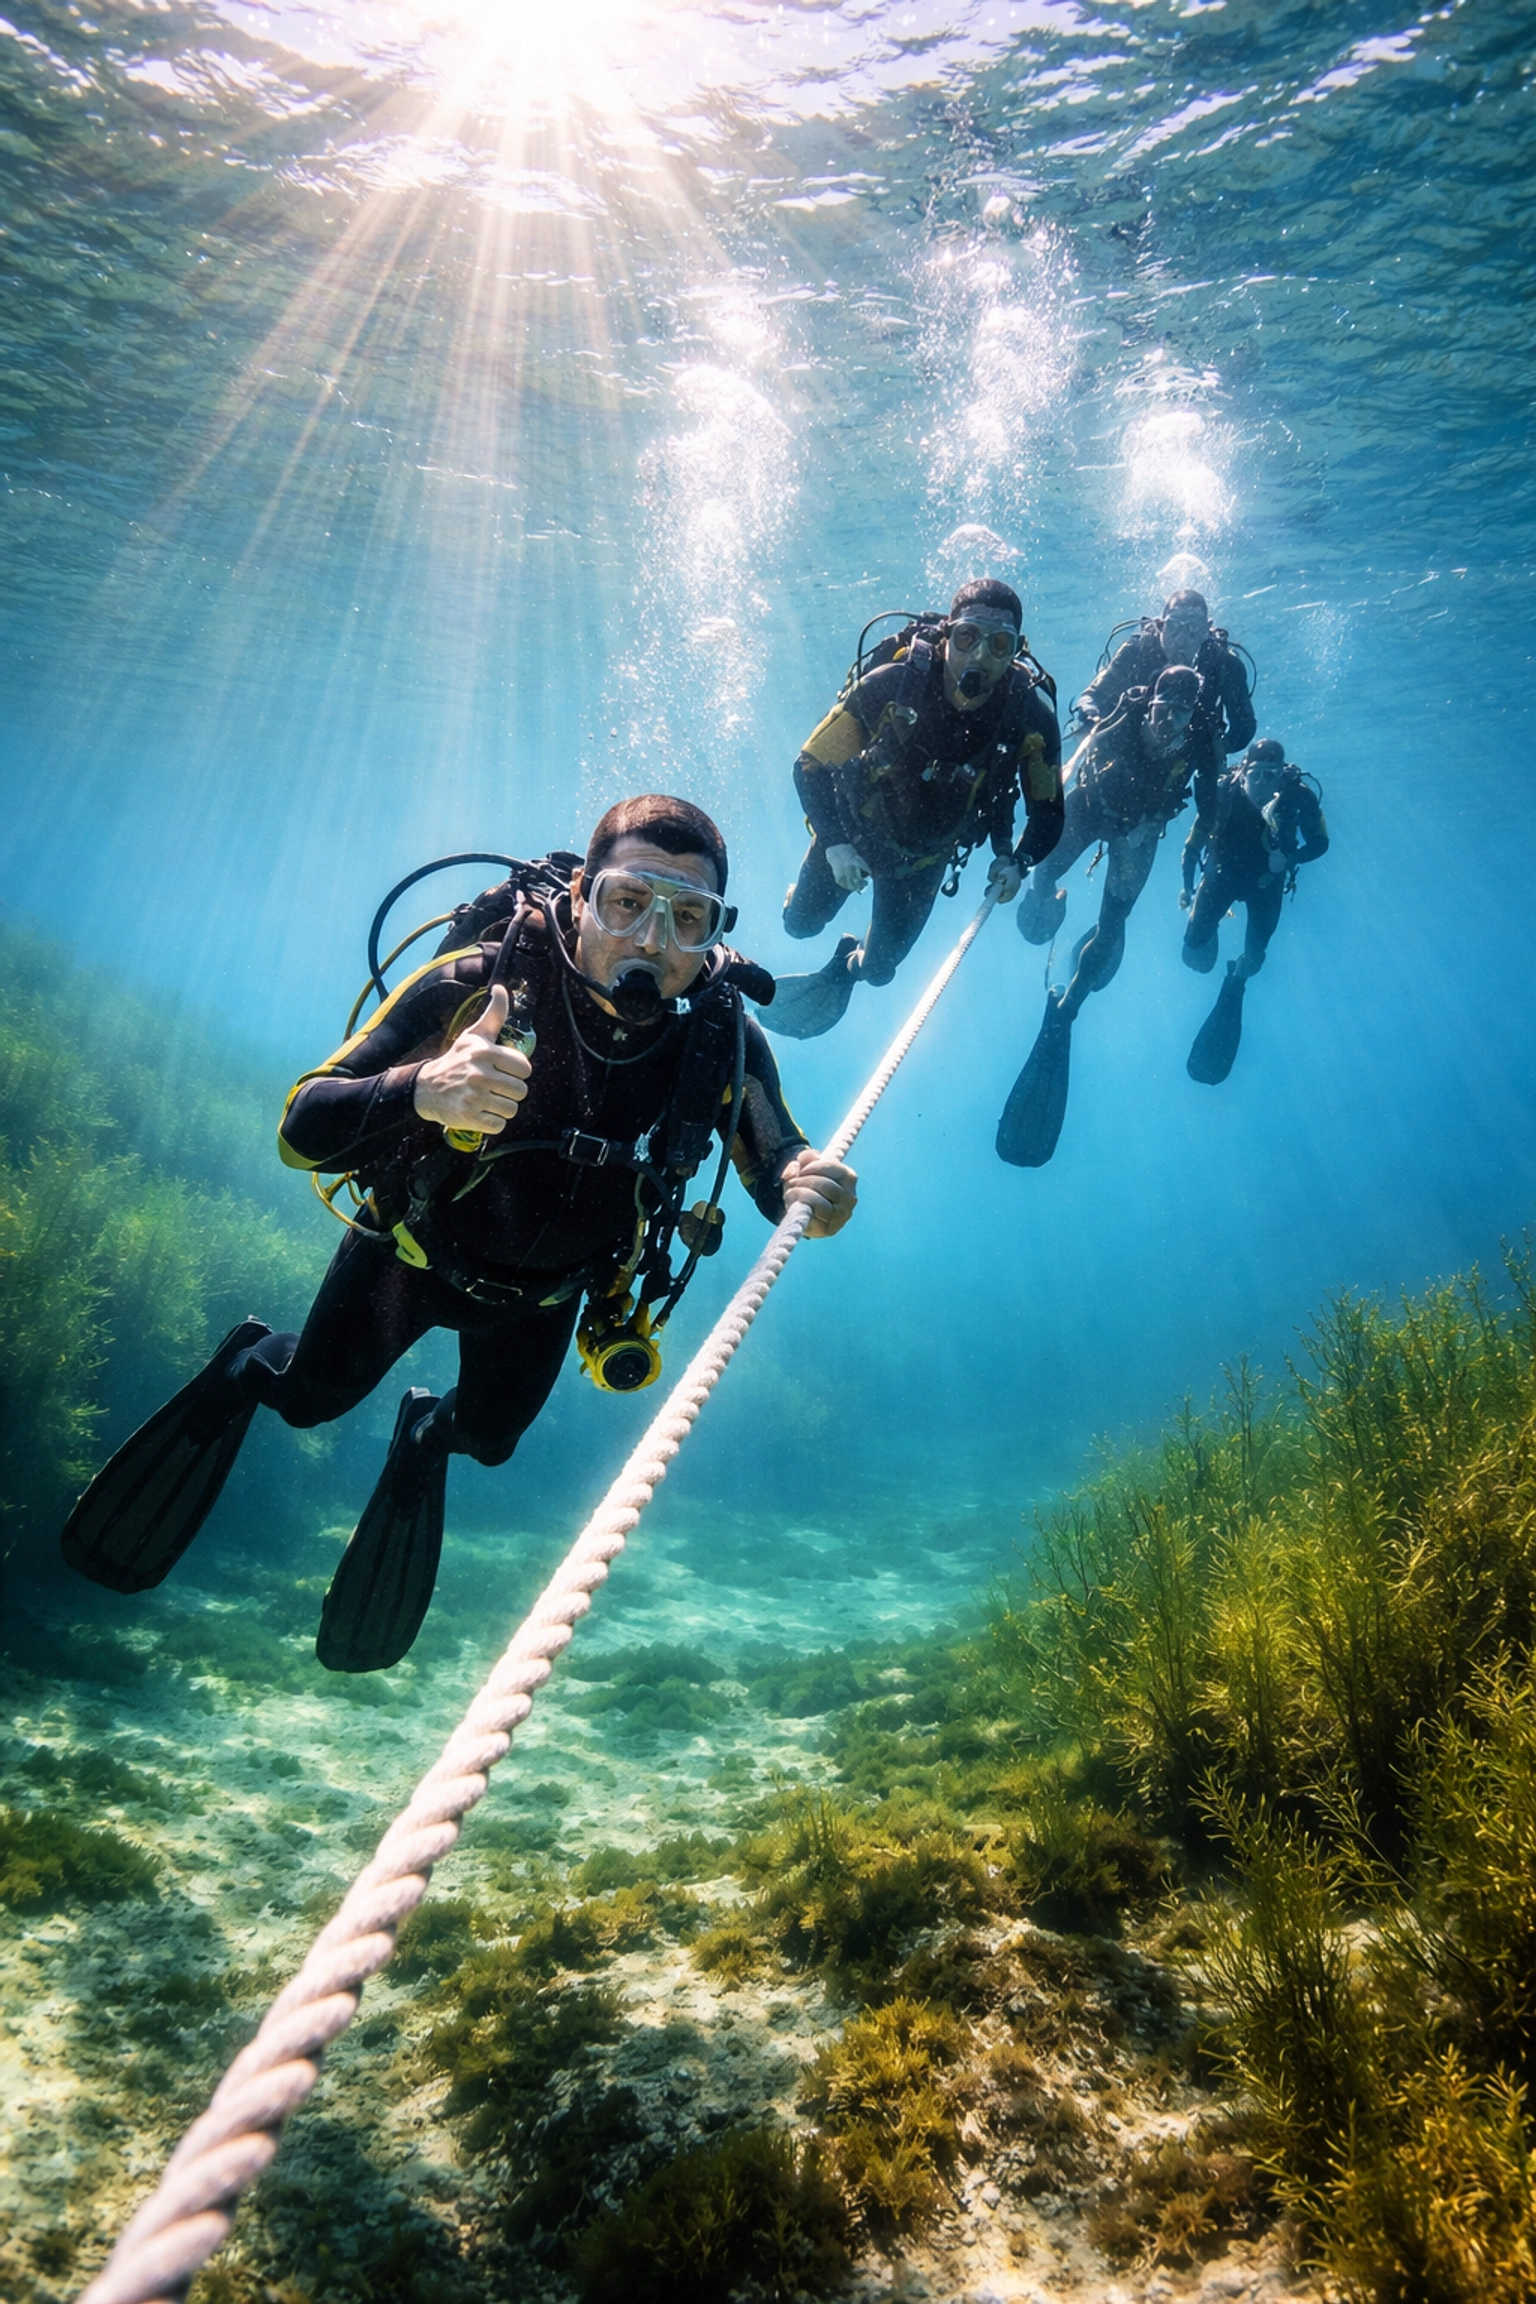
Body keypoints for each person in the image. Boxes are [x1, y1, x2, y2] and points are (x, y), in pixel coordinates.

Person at [61, 797, 858, 1671]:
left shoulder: (719, 1039)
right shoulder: (474, 984)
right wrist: (420, 1091)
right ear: (586, 894)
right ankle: (245, 1366)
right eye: (628, 902)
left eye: (688, 918)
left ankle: (421, 1437)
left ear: (714, 932)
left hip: (546, 1298)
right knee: (307, 1399)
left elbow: (777, 1159)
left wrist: (808, 1186)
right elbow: (303, 1125)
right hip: (409, 1255)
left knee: (487, 1441)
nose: (652, 942)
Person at [766, 577, 1063, 1037]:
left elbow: (1048, 812)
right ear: (946, 636)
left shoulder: (1029, 716)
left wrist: (1018, 860)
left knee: (879, 972)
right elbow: (811, 765)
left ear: (1016, 650)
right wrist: (836, 845)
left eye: (999, 644)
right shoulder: (891, 686)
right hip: (854, 836)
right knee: (798, 926)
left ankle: (847, 963)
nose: (980, 657)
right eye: (968, 638)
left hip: (923, 864)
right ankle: (803, 900)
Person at [999, 667, 1202, 1168]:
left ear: (1192, 714)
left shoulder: (1199, 742)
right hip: (1089, 807)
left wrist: (1183, 849)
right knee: (1042, 885)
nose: (1169, 720)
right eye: (1162, 708)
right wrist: (1087, 715)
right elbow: (1075, 736)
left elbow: (1213, 804)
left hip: (1141, 831)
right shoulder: (1126, 715)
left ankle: (1071, 1003)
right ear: (1150, 701)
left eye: (1181, 712)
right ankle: (1052, 901)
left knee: (1115, 924)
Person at [1180, 738, 1329, 1084]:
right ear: (1242, 773)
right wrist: (1188, 886)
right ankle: (1212, 930)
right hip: (1220, 881)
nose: (1262, 784)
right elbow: (1192, 844)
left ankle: (1236, 981)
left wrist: (1291, 858)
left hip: (1266, 885)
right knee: (1194, 956)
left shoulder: (1299, 796)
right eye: (1255, 775)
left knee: (1255, 958)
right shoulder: (1222, 792)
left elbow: (1321, 842)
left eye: (1271, 775)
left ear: (1282, 776)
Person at [1076, 587, 1255, 826]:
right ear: (1159, 626)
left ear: (1207, 630)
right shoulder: (1136, 649)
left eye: (1193, 629)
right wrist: (1092, 720)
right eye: (1174, 627)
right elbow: (1092, 696)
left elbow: (1244, 727)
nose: (1182, 639)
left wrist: (1208, 745)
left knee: (1159, 807)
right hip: (1124, 750)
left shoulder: (1225, 665)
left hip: (1174, 769)